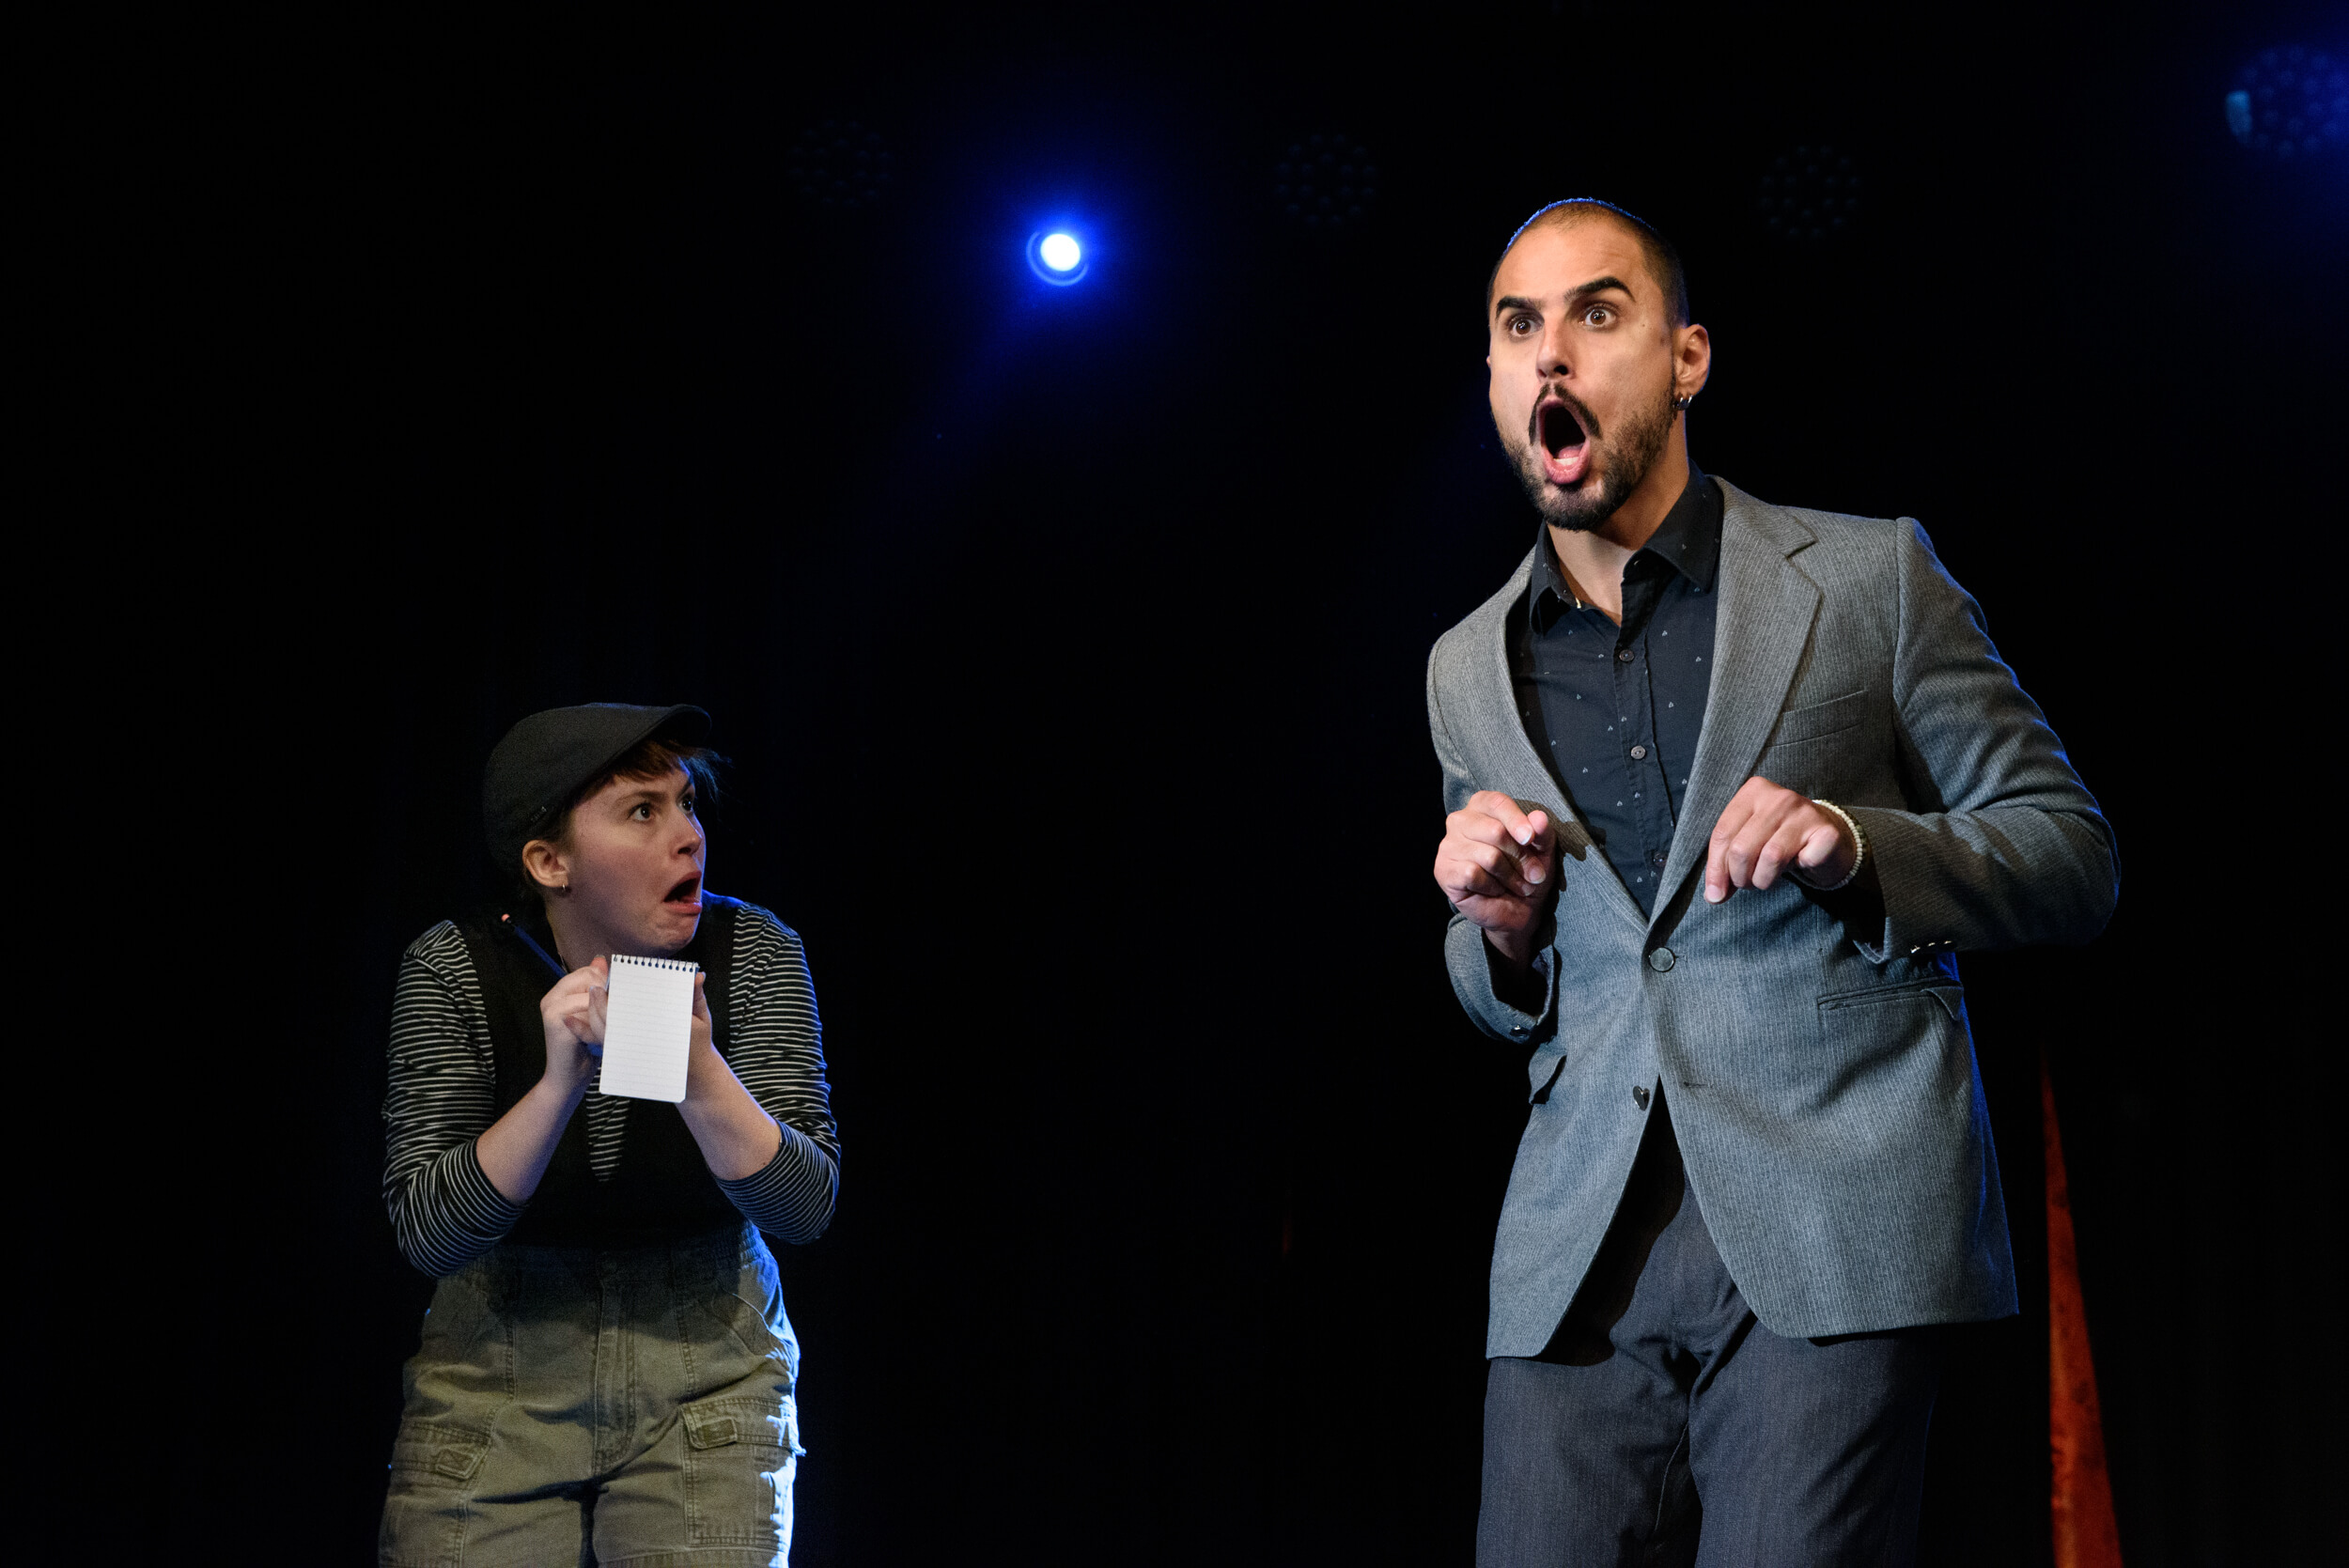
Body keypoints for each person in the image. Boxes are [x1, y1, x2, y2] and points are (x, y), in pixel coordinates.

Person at [1428, 200, 2117, 1564]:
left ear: (1687, 358)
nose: (1552, 354)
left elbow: (2072, 851)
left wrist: (1861, 844)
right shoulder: (1464, 664)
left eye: (1596, 313)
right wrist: (1499, 939)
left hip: (1831, 1228)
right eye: (1521, 327)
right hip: (1577, 1260)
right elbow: (1520, 976)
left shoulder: (1868, 577)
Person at [380, 702, 839, 1566]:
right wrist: (558, 1085)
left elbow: (803, 1208)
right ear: (550, 861)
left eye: (688, 803)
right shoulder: (457, 967)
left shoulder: (754, 951)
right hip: (497, 1377)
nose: (689, 836)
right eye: (643, 810)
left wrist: (701, 1070)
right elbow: (429, 1231)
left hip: (708, 1371)